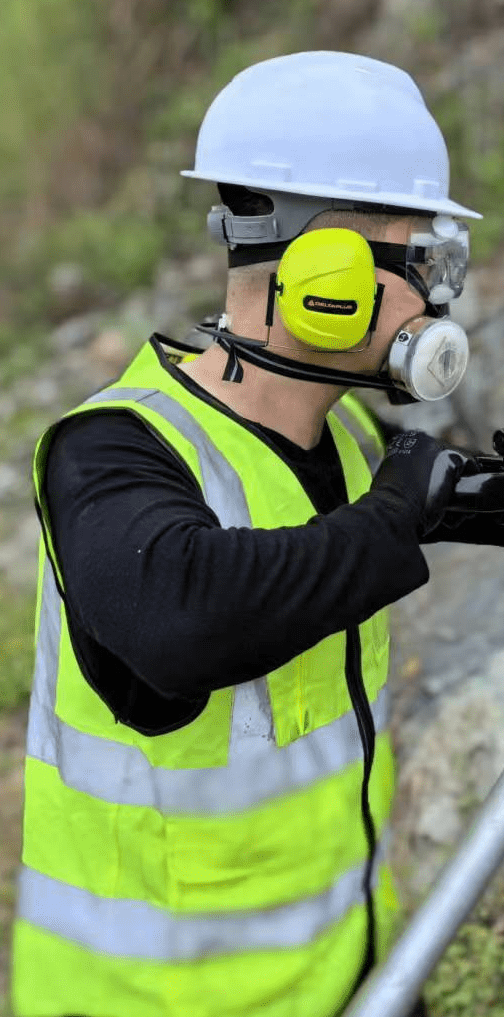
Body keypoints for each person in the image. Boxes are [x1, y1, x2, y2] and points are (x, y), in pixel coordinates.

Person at [11, 51, 479, 1017]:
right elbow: (184, 617)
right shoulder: (113, 450)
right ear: (328, 274)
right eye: (418, 263)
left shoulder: (351, 437)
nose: (434, 302)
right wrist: (395, 517)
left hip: (349, 977)